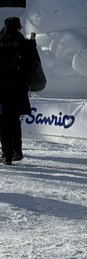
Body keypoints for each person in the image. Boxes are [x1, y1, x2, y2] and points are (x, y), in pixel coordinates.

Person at [0, 17, 39, 166]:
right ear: (18, 27)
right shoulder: (24, 43)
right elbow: (33, 65)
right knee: (15, 120)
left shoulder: (1, 40)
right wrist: (32, 45)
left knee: (3, 121)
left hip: (2, 90)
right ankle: (17, 151)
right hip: (18, 90)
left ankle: (6, 154)